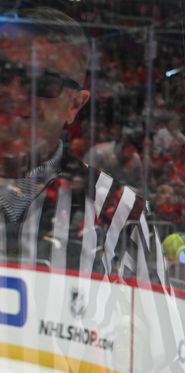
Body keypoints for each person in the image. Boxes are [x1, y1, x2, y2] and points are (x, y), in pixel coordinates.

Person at [0, 7, 159, 279]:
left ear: (74, 105)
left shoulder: (124, 215)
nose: (13, 93)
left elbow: (150, 320)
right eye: (2, 74)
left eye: (42, 82)